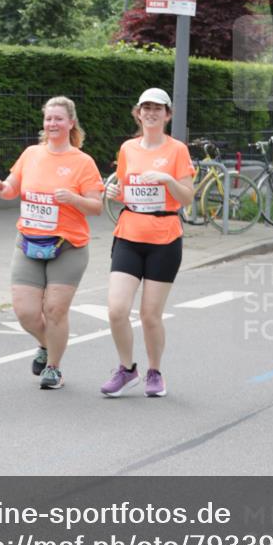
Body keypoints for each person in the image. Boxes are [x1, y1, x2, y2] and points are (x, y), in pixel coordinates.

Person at [0, 96, 103, 389]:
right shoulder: (31, 154)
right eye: (48, 119)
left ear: (71, 123)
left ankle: (53, 367)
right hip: (28, 241)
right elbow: (12, 187)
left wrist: (74, 199)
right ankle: (46, 344)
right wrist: (2, 189)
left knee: (54, 309)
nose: (52, 124)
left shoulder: (82, 162)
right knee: (26, 311)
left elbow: (96, 206)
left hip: (68, 246)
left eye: (58, 119)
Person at [101, 88, 194, 399]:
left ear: (167, 114)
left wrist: (168, 181)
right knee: (116, 309)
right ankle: (127, 369)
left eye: (158, 108)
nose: (151, 113)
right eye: (146, 108)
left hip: (164, 238)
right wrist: (116, 194)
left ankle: (155, 371)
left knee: (150, 315)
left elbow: (188, 197)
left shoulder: (177, 150)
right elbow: (128, 190)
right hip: (129, 235)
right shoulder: (128, 148)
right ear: (137, 113)